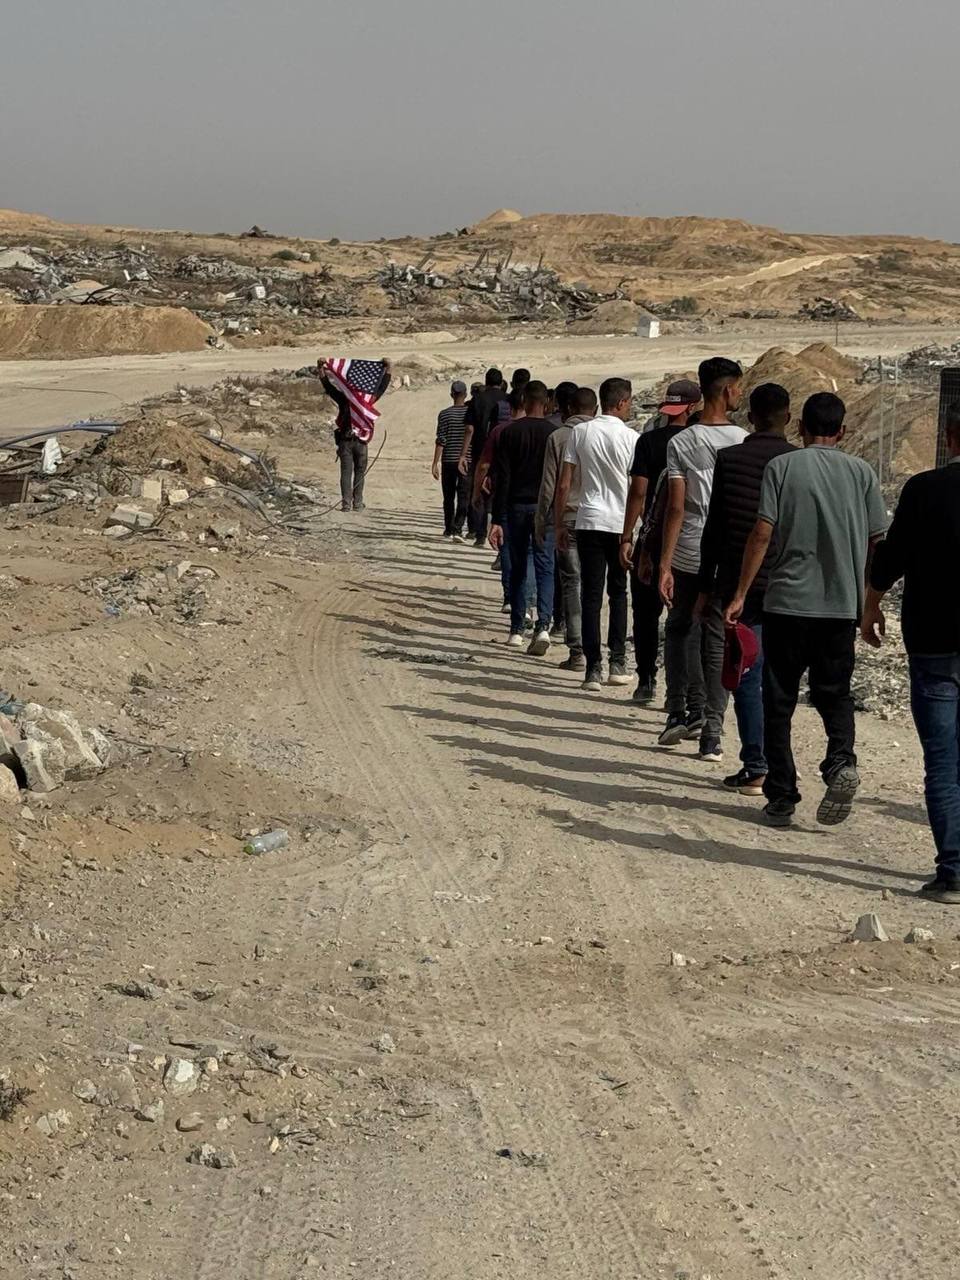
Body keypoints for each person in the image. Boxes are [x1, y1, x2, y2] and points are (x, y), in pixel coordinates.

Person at [725, 392, 887, 827]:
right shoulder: (862, 472)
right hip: (839, 607)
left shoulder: (782, 467)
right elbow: (877, 542)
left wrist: (740, 593)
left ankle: (782, 793)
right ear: (843, 430)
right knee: (834, 693)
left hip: (786, 605)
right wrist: (871, 601)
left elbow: (762, 533)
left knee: (778, 700)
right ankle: (840, 762)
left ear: (800, 427)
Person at [862, 406, 960, 902]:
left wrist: (871, 605)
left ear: (949, 437)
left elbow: (892, 556)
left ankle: (953, 872)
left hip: (935, 642)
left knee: (943, 761)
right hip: (935, 644)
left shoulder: (924, 489)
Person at [699, 384, 795, 795]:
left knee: (747, 675)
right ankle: (779, 766)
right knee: (782, 679)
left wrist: (708, 586)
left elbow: (716, 527)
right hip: (792, 583)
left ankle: (757, 764)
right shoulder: (798, 462)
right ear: (788, 419)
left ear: (750, 418)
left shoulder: (730, 459)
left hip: (742, 585)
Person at [658, 358, 746, 758]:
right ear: (729, 391)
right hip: (728, 551)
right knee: (716, 637)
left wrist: (664, 561)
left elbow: (675, 507)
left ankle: (677, 711)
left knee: (678, 627)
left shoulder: (681, 442)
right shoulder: (743, 440)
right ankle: (712, 728)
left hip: (689, 546)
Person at [620, 379, 702, 704]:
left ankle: (646, 680)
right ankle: (678, 691)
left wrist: (628, 536)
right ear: (694, 407)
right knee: (682, 620)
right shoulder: (700, 445)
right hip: (690, 540)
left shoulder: (649, 442)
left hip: (652, 539)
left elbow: (638, 492)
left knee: (645, 613)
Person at [555, 378, 637, 691]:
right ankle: (617, 661)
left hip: (587, 519)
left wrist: (561, 522)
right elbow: (635, 488)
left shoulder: (581, 432)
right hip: (618, 524)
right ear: (621, 402)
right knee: (618, 593)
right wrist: (632, 531)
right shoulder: (631, 437)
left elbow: (565, 483)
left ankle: (593, 668)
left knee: (591, 594)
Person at [489, 382, 558, 654]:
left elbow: (502, 478)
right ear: (546, 403)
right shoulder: (554, 434)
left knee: (518, 566)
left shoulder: (510, 432)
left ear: (525, 401)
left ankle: (517, 628)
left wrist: (497, 517)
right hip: (545, 508)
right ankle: (543, 625)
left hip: (516, 506)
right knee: (545, 567)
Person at [536, 386, 598, 671]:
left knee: (572, 583)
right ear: (595, 410)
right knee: (596, 587)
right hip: (601, 521)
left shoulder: (559, 437)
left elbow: (550, 485)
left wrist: (544, 522)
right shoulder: (605, 435)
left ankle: (578, 651)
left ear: (569, 410)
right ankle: (600, 654)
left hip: (570, 518)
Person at [478, 388, 532, 614]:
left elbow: (485, 464)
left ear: (509, 408)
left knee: (508, 550)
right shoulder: (543, 430)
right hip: (536, 501)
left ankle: (510, 597)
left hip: (507, 498)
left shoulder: (500, 431)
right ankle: (529, 602)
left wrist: (477, 491)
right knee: (531, 553)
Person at [319, 356, 392, 512]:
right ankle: (357, 503)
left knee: (346, 473)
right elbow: (382, 386)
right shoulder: (367, 400)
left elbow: (328, 387)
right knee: (360, 473)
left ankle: (346, 504)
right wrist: (388, 368)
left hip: (345, 440)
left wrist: (321, 369)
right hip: (362, 442)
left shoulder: (343, 398)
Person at [459, 368, 504, 546]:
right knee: (498, 490)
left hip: (481, 450)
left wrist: (463, 454)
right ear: (501, 383)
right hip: (503, 452)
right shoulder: (506, 399)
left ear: (486, 382)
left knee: (479, 490)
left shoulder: (477, 400)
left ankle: (479, 534)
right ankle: (497, 527)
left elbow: (469, 429)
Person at [432, 380, 471, 540]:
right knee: (463, 496)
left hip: (448, 460)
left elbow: (441, 440)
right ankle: (458, 527)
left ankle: (449, 528)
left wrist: (435, 462)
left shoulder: (444, 414)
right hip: (466, 460)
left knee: (448, 497)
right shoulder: (470, 413)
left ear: (451, 395)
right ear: (466, 394)